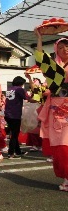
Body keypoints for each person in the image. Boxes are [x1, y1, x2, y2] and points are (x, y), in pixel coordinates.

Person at [34, 28, 68, 191]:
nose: (65, 49)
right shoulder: (54, 68)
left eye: (67, 46)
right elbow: (41, 59)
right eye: (61, 47)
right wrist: (40, 38)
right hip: (57, 109)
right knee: (60, 145)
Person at [4, 76, 28, 159]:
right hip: (15, 114)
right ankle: (11, 153)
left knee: (14, 133)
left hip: (7, 114)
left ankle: (18, 151)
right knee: (14, 135)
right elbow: (27, 98)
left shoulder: (9, 89)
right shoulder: (19, 89)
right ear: (20, 83)